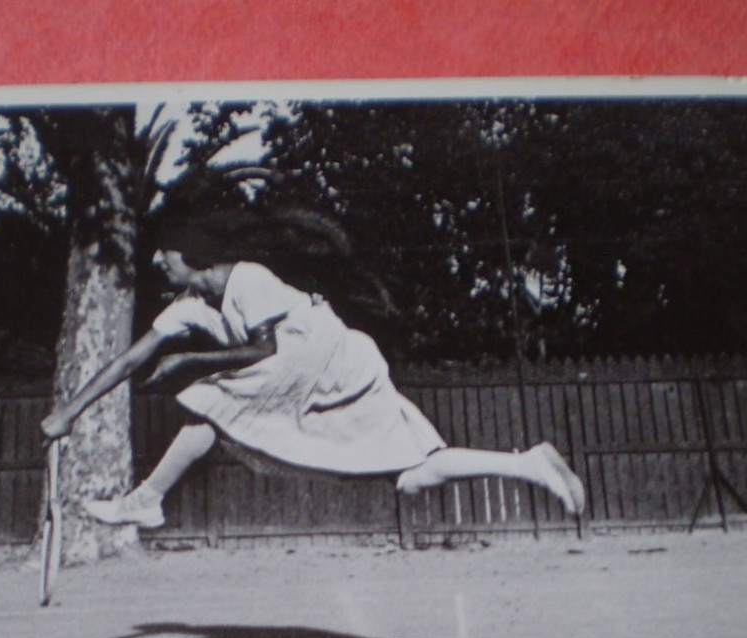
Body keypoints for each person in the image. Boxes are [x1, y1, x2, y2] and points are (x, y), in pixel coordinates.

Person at [40, 211, 585, 528]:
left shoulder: (249, 279)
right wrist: (69, 411)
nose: (159, 261)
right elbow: (131, 358)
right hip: (319, 375)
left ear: (193, 253)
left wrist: (188, 360)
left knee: (209, 401)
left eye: (166, 252)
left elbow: (266, 352)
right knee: (414, 475)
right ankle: (529, 465)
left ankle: (148, 498)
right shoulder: (187, 305)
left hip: (333, 360)